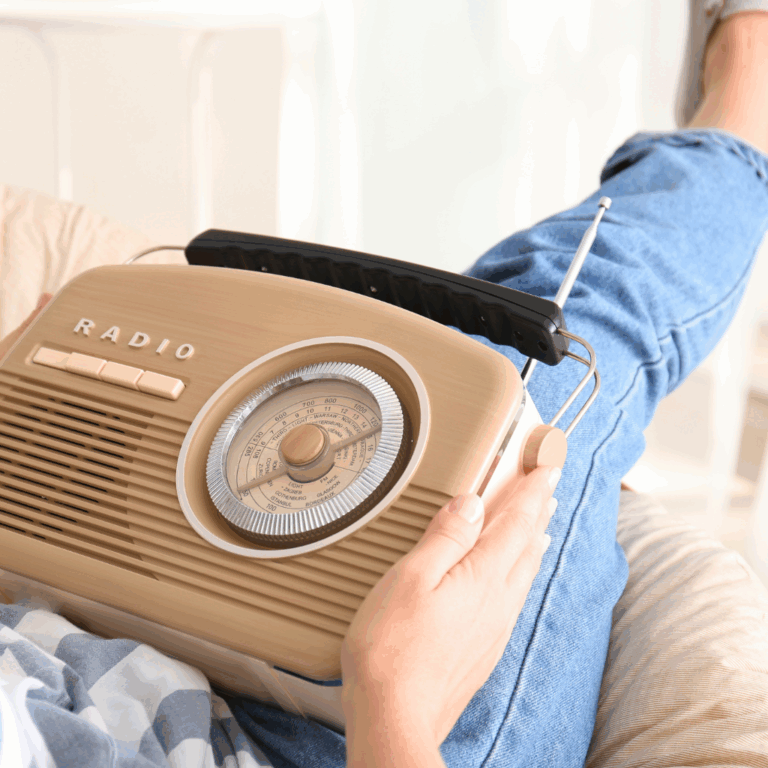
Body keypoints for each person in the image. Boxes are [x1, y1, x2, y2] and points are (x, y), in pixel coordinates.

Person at [0, 3, 767, 767]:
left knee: (454, 343)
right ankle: (748, 92)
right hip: (331, 732)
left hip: (63, 621)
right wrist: (395, 705)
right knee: (555, 329)